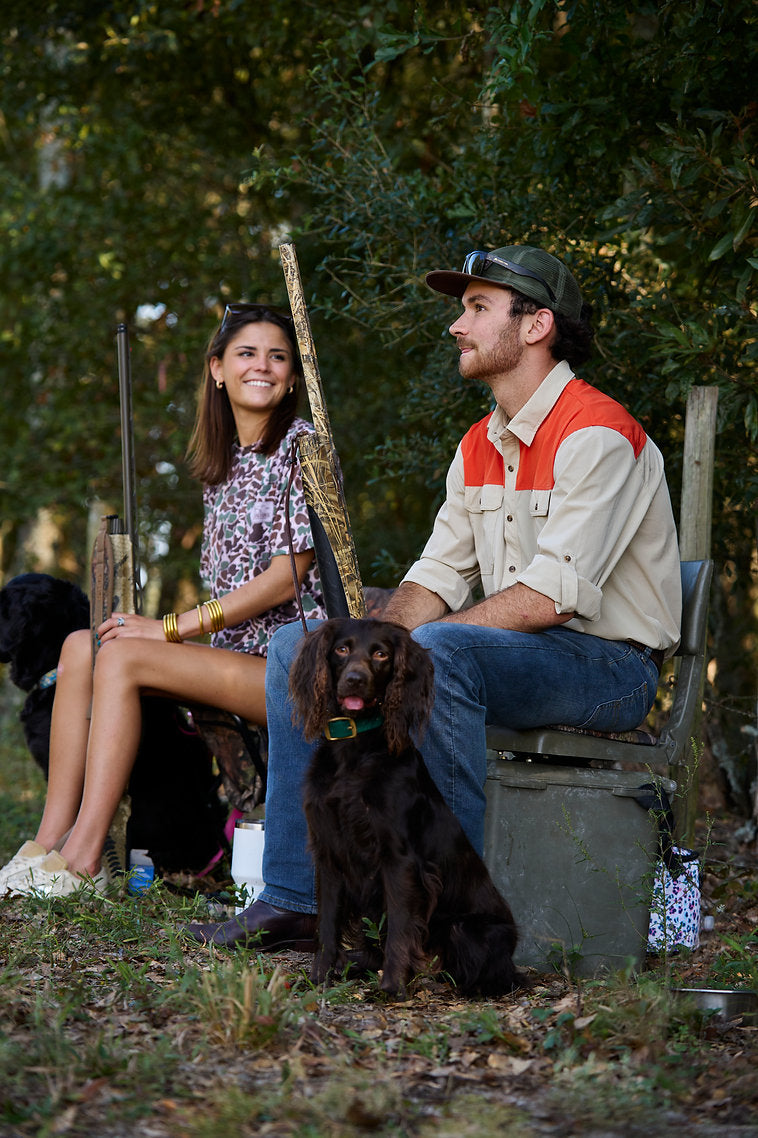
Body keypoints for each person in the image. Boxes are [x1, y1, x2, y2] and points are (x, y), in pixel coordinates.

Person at [186, 244, 682, 951]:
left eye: (478, 308)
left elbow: (549, 598)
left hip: (608, 669)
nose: (458, 325)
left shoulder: (596, 431)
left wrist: (411, 656)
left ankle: (449, 924)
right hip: (519, 656)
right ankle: (298, 899)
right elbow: (433, 579)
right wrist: (371, 645)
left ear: (536, 325)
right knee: (304, 645)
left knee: (442, 651)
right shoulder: (480, 442)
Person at [0, 302, 326, 898]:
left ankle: (83, 860)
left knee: (124, 654)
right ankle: (49, 842)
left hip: (292, 666)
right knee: (85, 644)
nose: (264, 366)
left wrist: (170, 627)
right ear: (218, 369)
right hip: (238, 660)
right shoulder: (221, 467)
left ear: (294, 377)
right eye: (247, 353)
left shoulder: (300, 446)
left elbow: (289, 573)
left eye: (278, 356)